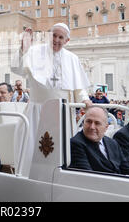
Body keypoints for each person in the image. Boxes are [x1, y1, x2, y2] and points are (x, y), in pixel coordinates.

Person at [11, 23, 92, 176]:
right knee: (33, 147)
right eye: (54, 35)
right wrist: (23, 49)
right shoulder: (35, 51)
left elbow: (79, 87)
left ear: (66, 41)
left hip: (62, 114)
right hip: (37, 112)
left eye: (61, 37)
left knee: (60, 151)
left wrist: (85, 99)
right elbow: (17, 69)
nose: (56, 40)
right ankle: (30, 177)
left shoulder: (72, 58)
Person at [70, 107, 129, 175]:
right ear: (83, 123)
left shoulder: (112, 143)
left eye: (97, 123)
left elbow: (126, 168)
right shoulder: (76, 144)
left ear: (106, 127)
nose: (92, 127)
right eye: (89, 121)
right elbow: (87, 177)